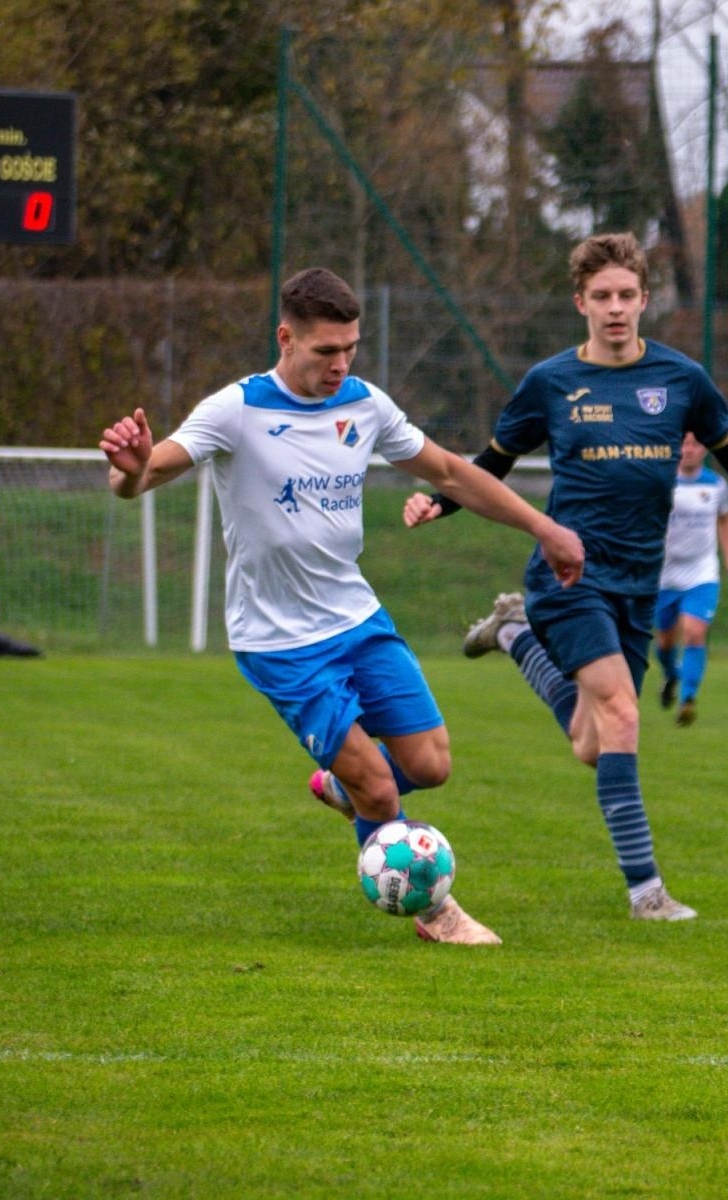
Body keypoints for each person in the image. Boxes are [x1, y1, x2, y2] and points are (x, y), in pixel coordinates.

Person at [99, 267, 584, 947]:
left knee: (431, 766)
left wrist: (544, 526)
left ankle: (342, 784)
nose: (341, 364)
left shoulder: (363, 405)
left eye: (350, 348)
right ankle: (434, 910)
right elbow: (149, 472)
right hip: (280, 642)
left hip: (357, 619)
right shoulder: (235, 410)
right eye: (326, 351)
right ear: (286, 337)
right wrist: (129, 468)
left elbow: (450, 472)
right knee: (383, 792)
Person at [404, 233, 728, 921]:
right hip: (570, 575)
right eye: (602, 297)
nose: (615, 308)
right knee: (624, 713)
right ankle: (647, 892)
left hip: (642, 582)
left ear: (645, 300)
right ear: (580, 302)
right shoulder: (550, 382)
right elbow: (487, 461)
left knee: (593, 742)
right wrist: (437, 502)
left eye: (627, 296)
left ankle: (515, 635)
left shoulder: (682, 380)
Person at [654, 432, 728, 727]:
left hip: (702, 572)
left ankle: (688, 699)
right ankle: (672, 676)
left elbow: (725, 519)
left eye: (695, 444)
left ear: (704, 448)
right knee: (665, 641)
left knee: (694, 632)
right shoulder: (662, 482)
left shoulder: (716, 486)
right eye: (683, 443)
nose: (688, 450)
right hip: (664, 575)